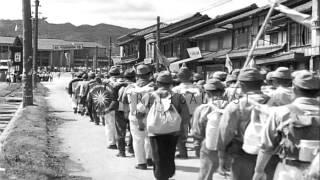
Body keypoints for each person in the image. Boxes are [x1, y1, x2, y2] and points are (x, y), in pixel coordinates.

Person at [253, 70, 320, 180]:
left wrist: (259, 170)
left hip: (289, 171)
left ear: (294, 89)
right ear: (318, 92)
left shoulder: (281, 112)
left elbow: (267, 146)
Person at [217, 68, 279, 180]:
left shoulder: (236, 105)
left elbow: (225, 133)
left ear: (241, 85)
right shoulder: (275, 103)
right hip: (270, 155)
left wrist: (222, 156)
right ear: (261, 83)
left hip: (243, 154)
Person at [138, 71, 190, 180]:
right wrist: (183, 131)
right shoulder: (178, 97)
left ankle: (160, 176)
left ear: (157, 83)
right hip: (173, 131)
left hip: (154, 131)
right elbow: (185, 116)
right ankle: (168, 174)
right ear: (171, 83)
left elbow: (139, 112)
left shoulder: (149, 96)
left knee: (157, 156)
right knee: (169, 154)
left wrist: (141, 125)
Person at [192, 79, 227, 180]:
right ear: (223, 92)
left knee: (206, 173)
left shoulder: (203, 108)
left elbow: (197, 130)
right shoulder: (231, 106)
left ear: (206, 93)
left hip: (209, 144)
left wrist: (197, 144)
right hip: (229, 144)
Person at [121, 64, 155, 170]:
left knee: (137, 140)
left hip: (135, 117)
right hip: (151, 117)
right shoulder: (154, 87)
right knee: (150, 138)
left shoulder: (129, 87)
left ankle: (141, 163)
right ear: (149, 75)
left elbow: (123, 101)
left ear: (137, 75)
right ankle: (149, 158)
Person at [172, 66, 201, 158]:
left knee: (181, 133)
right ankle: (198, 150)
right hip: (196, 113)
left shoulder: (175, 90)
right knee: (196, 132)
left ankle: (183, 152)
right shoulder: (199, 88)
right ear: (191, 76)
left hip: (181, 114)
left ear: (179, 77)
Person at [116, 69, 136, 157]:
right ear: (134, 77)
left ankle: (121, 151)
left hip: (120, 111)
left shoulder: (120, 86)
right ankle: (131, 148)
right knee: (132, 131)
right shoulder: (135, 86)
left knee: (121, 132)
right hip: (132, 110)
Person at [104, 67, 122, 149]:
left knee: (109, 125)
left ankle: (112, 143)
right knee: (121, 126)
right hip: (121, 107)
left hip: (108, 106)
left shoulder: (105, 83)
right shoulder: (124, 82)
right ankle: (123, 144)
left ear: (110, 74)